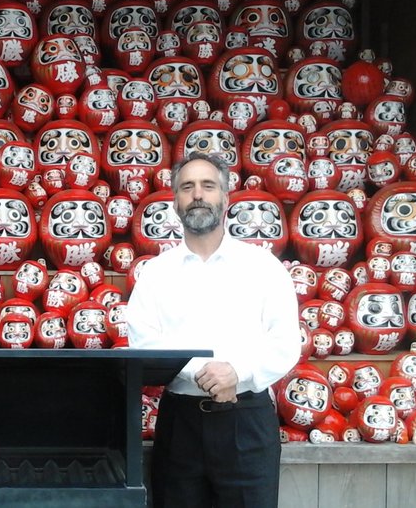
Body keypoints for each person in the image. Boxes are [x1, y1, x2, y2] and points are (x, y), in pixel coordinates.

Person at [126, 152, 299, 508]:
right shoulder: (156, 274)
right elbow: (143, 340)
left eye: (208, 185)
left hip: (246, 423)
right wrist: (204, 374)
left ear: (226, 198)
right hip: (180, 425)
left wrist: (238, 372)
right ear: (175, 202)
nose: (198, 195)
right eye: (187, 187)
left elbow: (284, 342)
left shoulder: (263, 267)